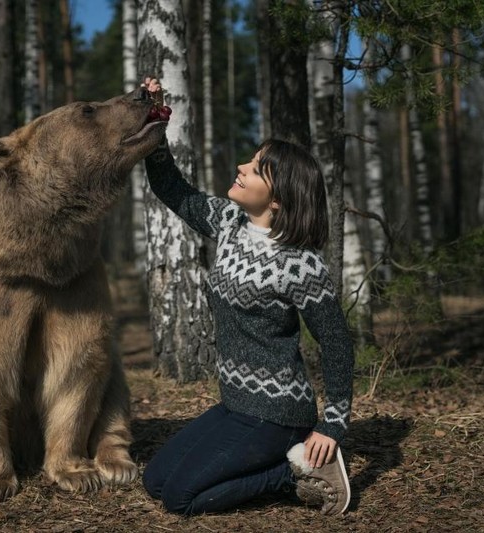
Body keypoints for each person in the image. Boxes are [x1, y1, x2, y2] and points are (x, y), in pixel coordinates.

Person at [140, 78, 355, 516]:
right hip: (235, 403)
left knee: (182, 499)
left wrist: (332, 424)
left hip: (277, 414)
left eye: (256, 168)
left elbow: (336, 343)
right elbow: (172, 188)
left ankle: (294, 474)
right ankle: (278, 462)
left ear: (278, 199)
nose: (241, 166)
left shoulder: (302, 265)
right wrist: (156, 119)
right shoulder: (228, 222)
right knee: (156, 480)